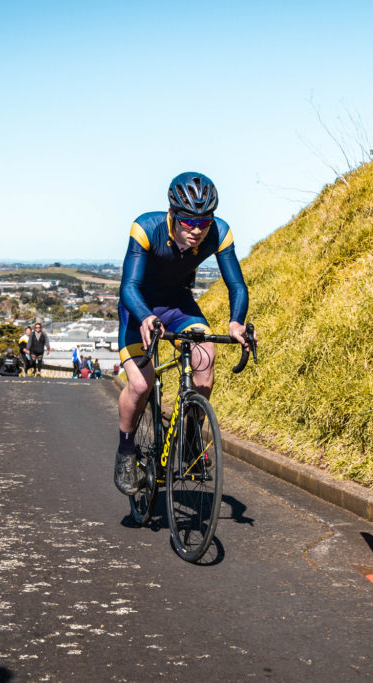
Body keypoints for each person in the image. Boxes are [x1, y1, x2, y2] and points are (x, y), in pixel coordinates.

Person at [113, 172, 250, 495]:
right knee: (140, 383)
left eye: (204, 221)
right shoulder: (146, 228)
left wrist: (236, 322)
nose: (197, 230)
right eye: (188, 221)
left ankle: (190, 443)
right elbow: (129, 286)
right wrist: (145, 317)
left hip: (178, 306)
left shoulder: (220, 233)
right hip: (138, 307)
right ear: (172, 214)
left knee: (205, 359)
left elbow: (236, 285)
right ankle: (126, 451)